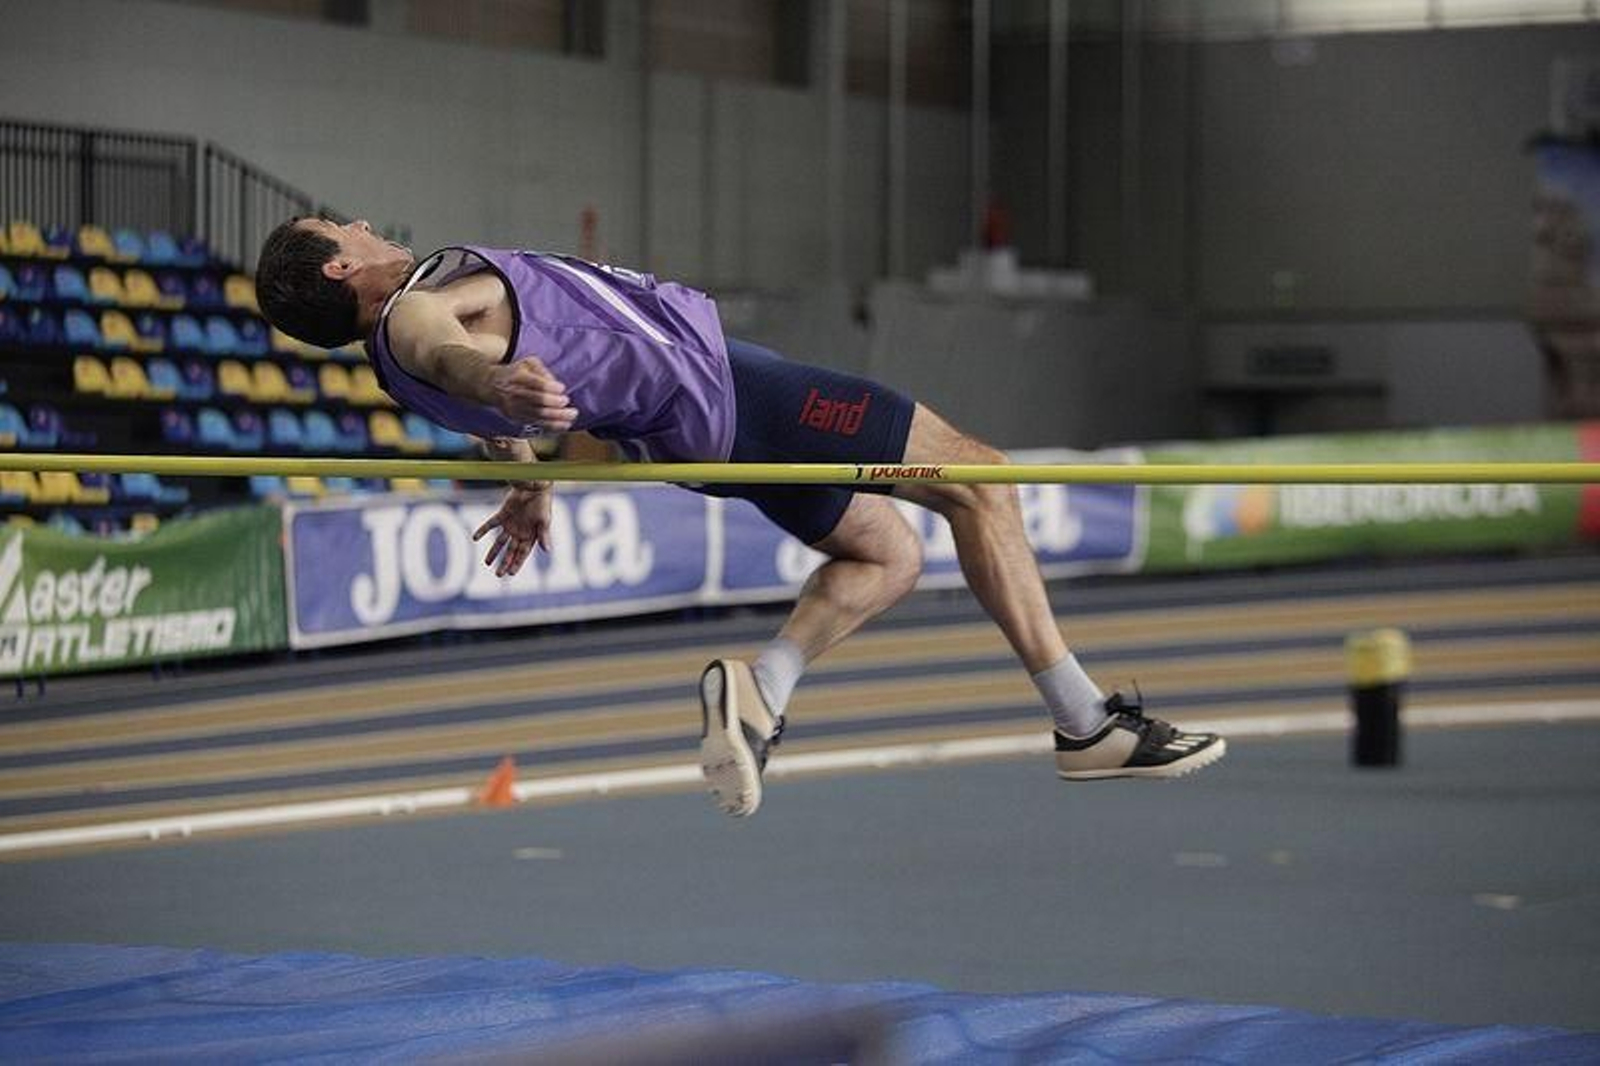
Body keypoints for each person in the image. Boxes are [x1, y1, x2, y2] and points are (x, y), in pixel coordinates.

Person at [256, 218, 1226, 817]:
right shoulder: (411, 313)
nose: (367, 222)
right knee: (982, 481)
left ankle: (761, 688)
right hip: (736, 394)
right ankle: (1082, 720)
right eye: (345, 228)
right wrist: (498, 382)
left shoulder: (400, 357)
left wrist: (528, 471)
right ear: (342, 270)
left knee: (885, 550)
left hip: (694, 431)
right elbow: (445, 355)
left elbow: (458, 383)